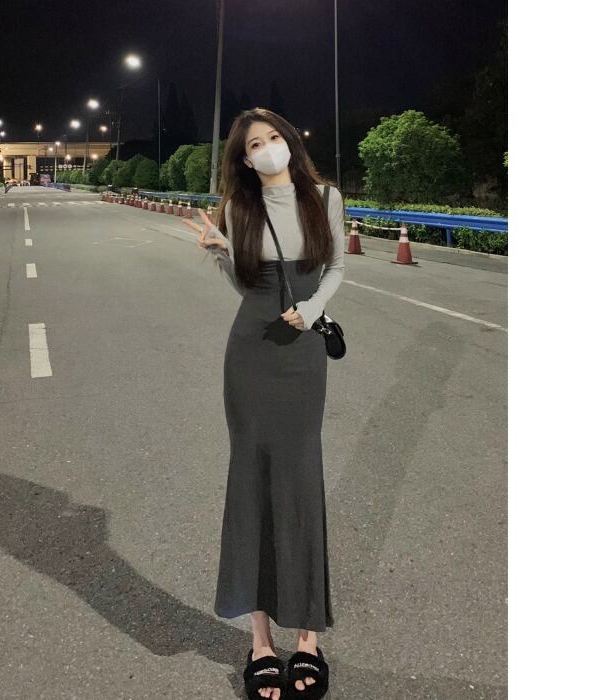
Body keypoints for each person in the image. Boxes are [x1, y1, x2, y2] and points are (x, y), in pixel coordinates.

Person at [183, 108, 345, 700]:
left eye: (275, 137)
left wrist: (314, 309)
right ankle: (259, 641)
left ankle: (307, 637)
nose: (269, 147)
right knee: (251, 480)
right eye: (256, 144)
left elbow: (336, 267)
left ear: (290, 142)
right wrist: (222, 251)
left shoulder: (324, 197)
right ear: (245, 159)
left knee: (300, 479)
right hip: (250, 353)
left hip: (302, 352)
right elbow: (245, 287)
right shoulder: (238, 208)